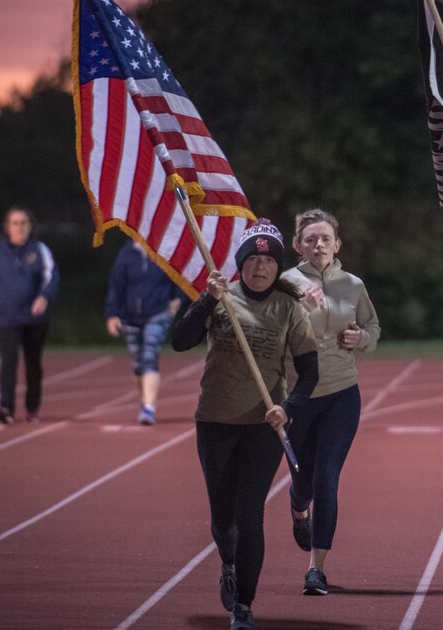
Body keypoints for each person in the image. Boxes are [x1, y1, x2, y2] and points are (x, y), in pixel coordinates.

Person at [171, 219, 318, 630]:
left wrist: (288, 408)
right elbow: (180, 341)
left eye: (268, 260)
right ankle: (228, 561)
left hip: (262, 425)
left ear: (277, 266)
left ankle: (244, 606)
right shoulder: (222, 298)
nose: (260, 266)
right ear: (241, 263)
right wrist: (206, 300)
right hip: (214, 421)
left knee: (250, 512)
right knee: (223, 519)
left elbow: (309, 373)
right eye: (252, 258)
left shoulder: (289, 309)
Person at [280, 209, 381, 596]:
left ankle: (315, 569)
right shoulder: (284, 283)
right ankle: (297, 508)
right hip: (299, 398)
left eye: (325, 238)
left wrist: (362, 339)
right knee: (303, 481)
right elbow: (270, 329)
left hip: (342, 394)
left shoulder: (353, 285)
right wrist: (298, 304)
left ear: (337, 244)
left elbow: (372, 327)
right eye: (310, 239)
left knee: (327, 479)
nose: (318, 245)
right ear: (297, 246)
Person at [0, 206, 60, 425]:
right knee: (8, 361)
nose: (19, 227)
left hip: (34, 320)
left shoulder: (40, 250)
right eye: (15, 223)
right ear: (7, 227)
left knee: (33, 363)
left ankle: (32, 407)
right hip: (5, 318)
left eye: (24, 223)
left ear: (31, 226)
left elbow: (52, 277)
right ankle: (6, 407)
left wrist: (44, 297)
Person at [104, 241, 184, 425]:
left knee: (149, 356)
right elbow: (116, 286)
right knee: (138, 363)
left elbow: (179, 277)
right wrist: (112, 314)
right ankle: (144, 401)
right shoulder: (126, 254)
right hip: (130, 317)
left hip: (158, 313)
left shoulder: (163, 252)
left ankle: (149, 408)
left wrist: (177, 299)